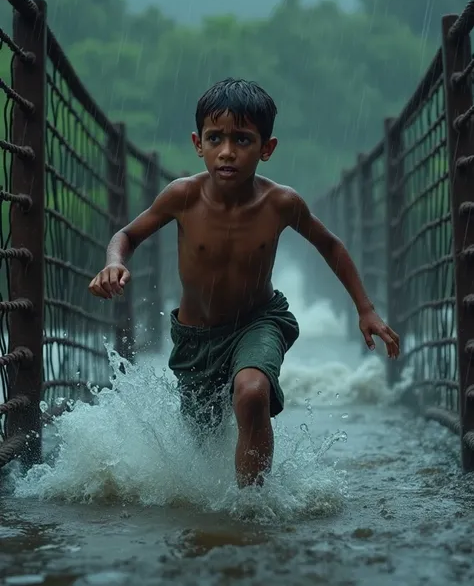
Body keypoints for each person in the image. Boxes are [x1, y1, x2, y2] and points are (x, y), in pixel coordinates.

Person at [88, 78, 399, 488]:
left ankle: (251, 510)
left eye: (243, 139)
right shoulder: (182, 196)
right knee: (201, 437)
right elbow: (126, 235)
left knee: (252, 393)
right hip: (196, 337)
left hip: (259, 321)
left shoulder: (281, 203)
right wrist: (113, 262)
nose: (228, 151)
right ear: (199, 144)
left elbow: (331, 245)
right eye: (216, 138)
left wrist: (365, 309)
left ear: (266, 149)